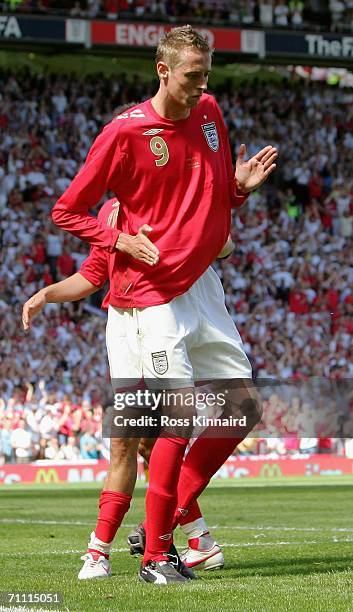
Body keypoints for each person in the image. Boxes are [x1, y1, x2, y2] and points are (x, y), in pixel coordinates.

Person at [51, 25, 277, 584]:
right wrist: (119, 240)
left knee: (241, 408)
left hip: (204, 283)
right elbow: (68, 211)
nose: (202, 86)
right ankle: (158, 555)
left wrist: (240, 189)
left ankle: (170, 516)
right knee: (172, 419)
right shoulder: (125, 132)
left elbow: (213, 192)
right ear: (162, 70)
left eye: (206, 75)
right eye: (191, 76)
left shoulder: (210, 112)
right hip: (154, 293)